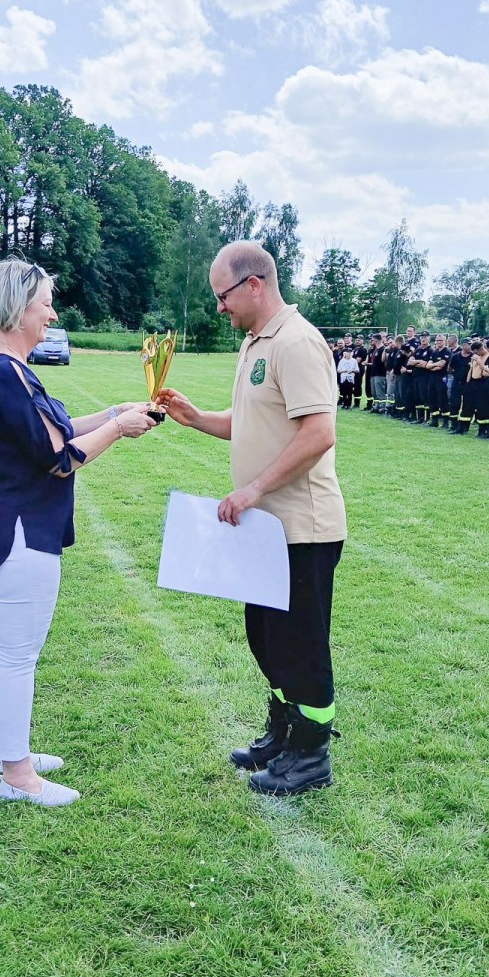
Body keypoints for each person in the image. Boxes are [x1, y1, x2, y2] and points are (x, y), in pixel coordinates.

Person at [0, 258, 156, 808]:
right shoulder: (4, 372)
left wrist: (114, 412)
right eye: (45, 303)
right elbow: (61, 460)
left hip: (15, 526)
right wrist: (119, 429)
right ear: (19, 309)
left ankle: (4, 752)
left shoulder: (9, 368)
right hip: (19, 530)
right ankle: (16, 775)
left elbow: (56, 433)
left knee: (8, 651)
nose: (52, 314)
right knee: (17, 655)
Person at [158, 241, 346, 797]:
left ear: (254, 284)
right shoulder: (255, 343)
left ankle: (311, 755)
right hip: (266, 530)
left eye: (223, 296)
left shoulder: (297, 342)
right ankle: (283, 734)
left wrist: (255, 488)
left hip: (302, 528)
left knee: (300, 645)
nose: (219, 307)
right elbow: (249, 422)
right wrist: (196, 418)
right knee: (267, 639)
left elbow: (319, 433)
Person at [448, 338, 473, 433]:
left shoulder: (473, 356)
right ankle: (454, 425)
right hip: (457, 383)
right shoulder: (455, 356)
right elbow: (449, 369)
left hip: (468, 384)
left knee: (467, 405)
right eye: (469, 344)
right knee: (454, 404)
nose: (470, 346)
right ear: (463, 345)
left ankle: (465, 426)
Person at [367, 333, 388, 413]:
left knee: (380, 391)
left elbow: (384, 362)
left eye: (372, 339)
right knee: (374, 392)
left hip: (380, 373)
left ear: (376, 340)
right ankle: (376, 406)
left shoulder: (383, 349)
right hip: (373, 373)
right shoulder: (375, 349)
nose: (371, 341)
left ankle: (382, 407)